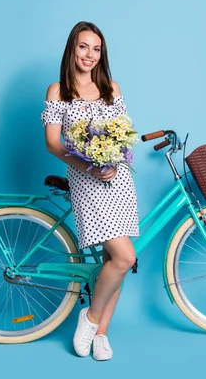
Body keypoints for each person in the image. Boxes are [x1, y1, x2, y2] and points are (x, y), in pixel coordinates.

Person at [40, 21, 140, 361]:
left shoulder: (111, 88)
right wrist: (90, 166)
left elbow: (123, 135)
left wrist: (115, 159)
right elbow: (53, 143)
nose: (90, 55)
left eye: (96, 49)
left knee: (116, 261)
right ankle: (91, 317)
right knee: (126, 257)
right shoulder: (58, 91)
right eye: (84, 47)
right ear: (72, 49)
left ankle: (101, 335)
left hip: (119, 180)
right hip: (87, 181)